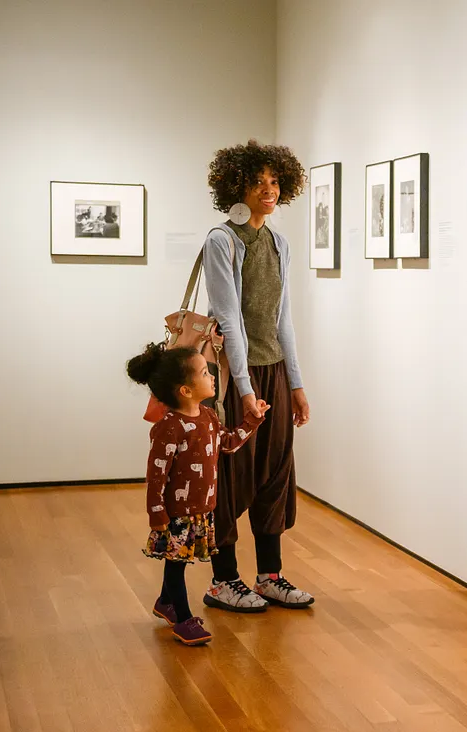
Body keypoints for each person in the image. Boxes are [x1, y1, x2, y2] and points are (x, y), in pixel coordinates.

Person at [200, 139, 315, 613]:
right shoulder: (222, 240)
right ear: (236, 187)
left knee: (275, 472)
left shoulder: (279, 243)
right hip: (232, 379)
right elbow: (228, 319)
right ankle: (223, 579)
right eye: (257, 182)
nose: (268, 189)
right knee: (232, 474)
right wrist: (245, 391)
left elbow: (282, 318)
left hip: (272, 373)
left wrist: (296, 383)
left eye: (274, 181)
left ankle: (270, 575)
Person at [127, 343, 267, 645]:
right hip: (177, 514)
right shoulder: (169, 427)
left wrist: (252, 421)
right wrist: (157, 513)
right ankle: (184, 618)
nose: (212, 377)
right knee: (177, 565)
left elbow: (227, 444)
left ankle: (166, 602)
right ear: (185, 390)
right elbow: (156, 475)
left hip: (202, 509)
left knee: (177, 560)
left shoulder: (207, 416)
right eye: (205, 373)